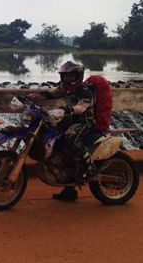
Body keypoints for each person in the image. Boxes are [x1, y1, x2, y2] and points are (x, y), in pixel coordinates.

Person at [28, 60, 100, 202]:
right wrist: (36, 95)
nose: (66, 79)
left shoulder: (84, 90)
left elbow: (81, 107)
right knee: (55, 140)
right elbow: (53, 93)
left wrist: (68, 109)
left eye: (69, 76)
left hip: (85, 121)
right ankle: (69, 188)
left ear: (77, 76)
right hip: (70, 119)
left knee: (70, 138)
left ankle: (89, 167)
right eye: (64, 76)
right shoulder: (65, 88)